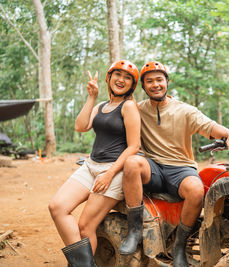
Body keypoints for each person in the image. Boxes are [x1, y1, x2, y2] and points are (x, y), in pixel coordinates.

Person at [118, 61, 229, 267]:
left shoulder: (185, 110)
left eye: (159, 80)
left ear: (167, 82)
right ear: (143, 86)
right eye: (149, 81)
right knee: (132, 163)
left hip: (181, 168)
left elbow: (210, 126)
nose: (155, 84)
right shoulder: (137, 109)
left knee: (196, 190)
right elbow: (114, 121)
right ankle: (134, 231)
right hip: (154, 168)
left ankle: (179, 247)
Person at [48, 60, 141, 266]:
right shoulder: (101, 106)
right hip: (91, 166)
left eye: (127, 78)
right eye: (118, 75)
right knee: (57, 207)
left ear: (132, 86)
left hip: (113, 170)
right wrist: (92, 97)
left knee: (85, 226)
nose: (121, 80)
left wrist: (109, 175)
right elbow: (81, 126)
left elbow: (134, 146)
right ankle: (84, 264)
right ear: (109, 78)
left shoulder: (129, 106)